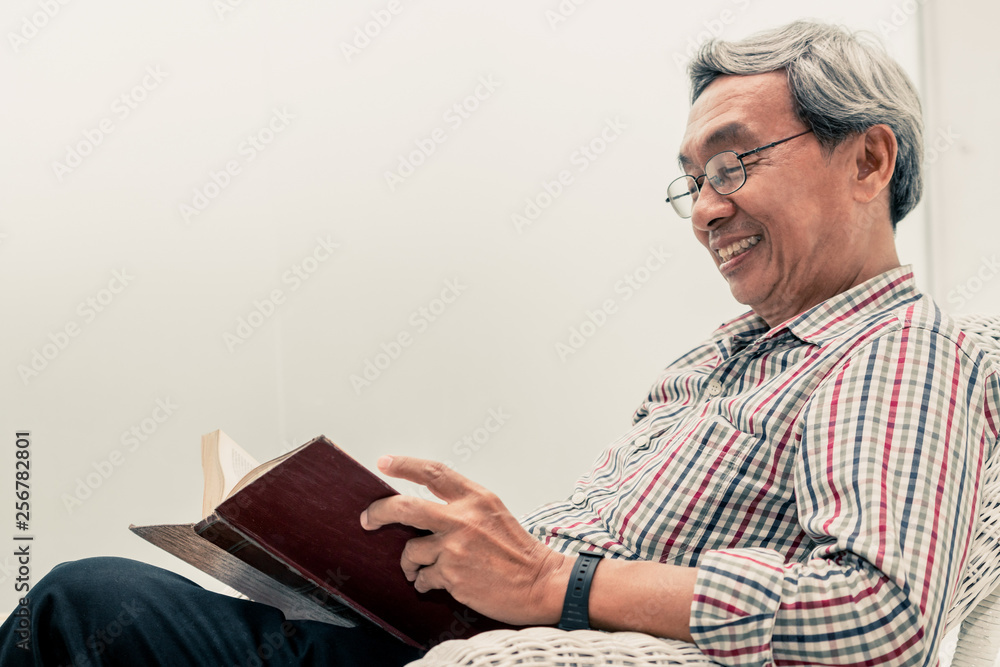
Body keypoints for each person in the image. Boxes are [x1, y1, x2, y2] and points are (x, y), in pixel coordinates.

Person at [3, 19, 998, 667]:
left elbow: (879, 613)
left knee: (83, 608)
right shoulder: (710, 360)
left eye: (733, 165)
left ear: (867, 158)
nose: (703, 210)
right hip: (451, 634)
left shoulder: (895, 347)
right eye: (689, 181)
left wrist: (552, 582)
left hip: (510, 644)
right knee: (94, 608)